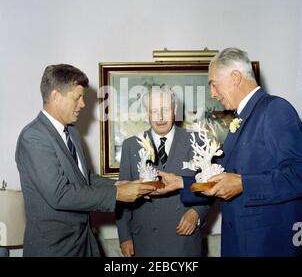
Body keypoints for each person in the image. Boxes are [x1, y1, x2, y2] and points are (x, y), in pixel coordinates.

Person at [157, 48, 302, 257]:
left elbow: (298, 173)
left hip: (267, 245)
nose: (212, 94)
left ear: (235, 77)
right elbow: (222, 176)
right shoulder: (240, 119)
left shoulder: (275, 109)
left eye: (214, 85)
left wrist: (244, 184)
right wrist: (181, 183)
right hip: (240, 243)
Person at [15, 64, 155, 257]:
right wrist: (116, 193)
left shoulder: (71, 132)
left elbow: (84, 179)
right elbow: (60, 194)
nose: (83, 104)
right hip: (55, 250)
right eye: (77, 97)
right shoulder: (34, 137)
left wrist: (120, 184)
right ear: (56, 96)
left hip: (84, 244)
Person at [116, 85, 210, 257]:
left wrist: (197, 213)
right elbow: (122, 196)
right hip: (143, 243)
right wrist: (124, 237)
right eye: (153, 111)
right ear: (146, 113)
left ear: (174, 110)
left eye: (165, 110)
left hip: (184, 242)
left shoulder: (197, 141)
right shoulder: (131, 145)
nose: (159, 117)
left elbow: (209, 186)